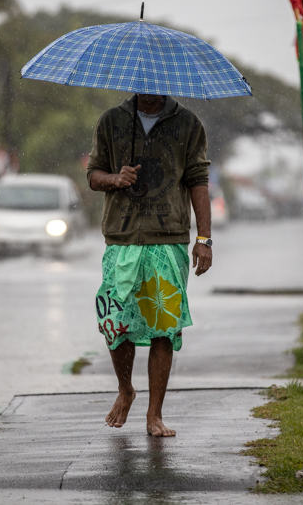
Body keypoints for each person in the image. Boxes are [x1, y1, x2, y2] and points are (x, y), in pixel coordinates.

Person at [87, 93, 213, 437]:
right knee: (116, 323)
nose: (151, 86)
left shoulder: (188, 123)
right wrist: (115, 179)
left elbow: (198, 179)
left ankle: (154, 414)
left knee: (164, 327)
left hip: (168, 239)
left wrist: (204, 238)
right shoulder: (111, 120)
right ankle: (125, 389)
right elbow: (93, 174)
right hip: (121, 238)